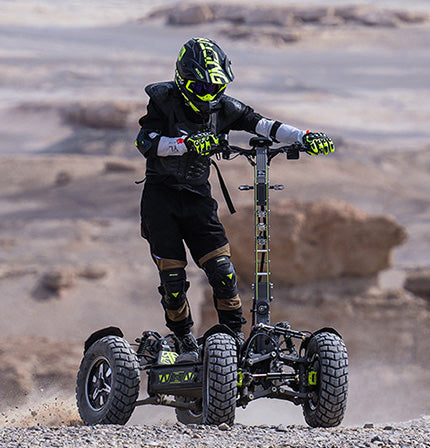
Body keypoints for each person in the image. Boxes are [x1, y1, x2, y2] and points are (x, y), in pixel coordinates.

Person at [135, 37, 334, 363]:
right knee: (173, 281)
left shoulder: (224, 107)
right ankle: (184, 341)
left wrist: (305, 136)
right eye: (202, 87)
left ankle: (234, 342)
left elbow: (264, 125)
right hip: (161, 200)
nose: (209, 95)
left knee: (223, 272)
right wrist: (186, 144)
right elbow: (146, 141)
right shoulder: (162, 100)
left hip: (198, 199)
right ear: (183, 79)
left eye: (216, 88)